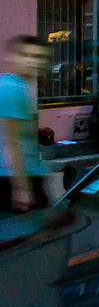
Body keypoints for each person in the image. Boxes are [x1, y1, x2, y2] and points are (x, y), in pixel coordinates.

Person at [0, 36, 51, 213]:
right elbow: (11, 142)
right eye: (25, 55)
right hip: (14, 177)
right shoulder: (12, 88)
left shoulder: (20, 87)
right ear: (13, 57)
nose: (32, 61)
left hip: (25, 174)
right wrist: (21, 188)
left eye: (38, 57)